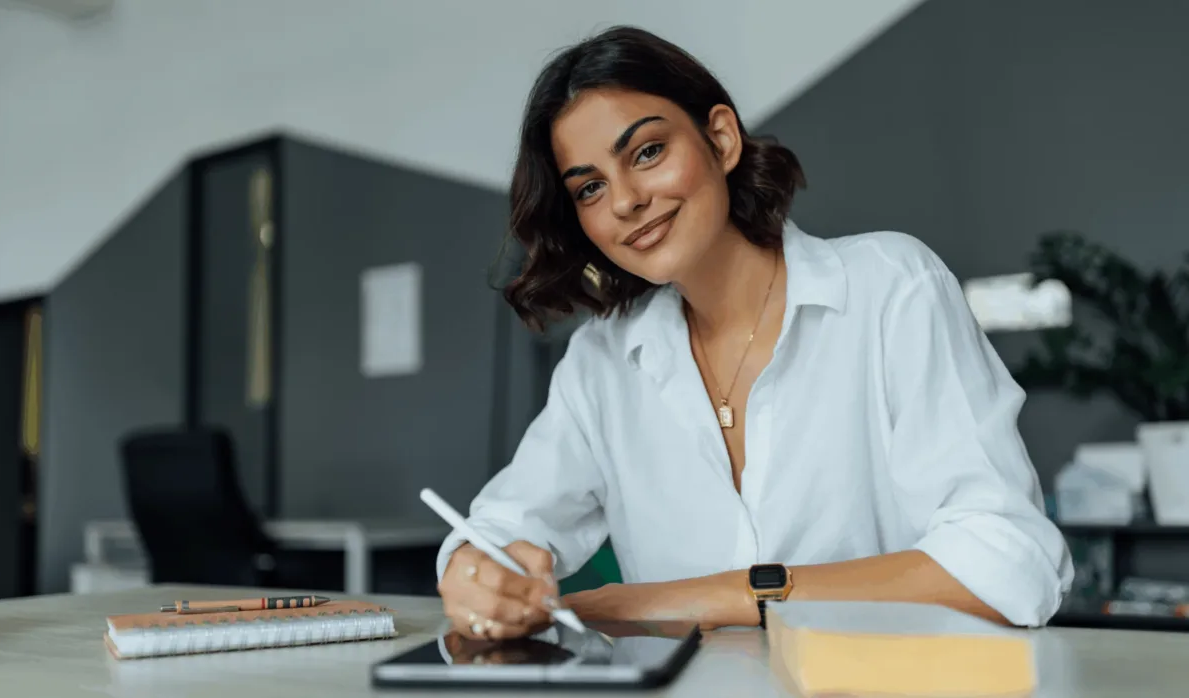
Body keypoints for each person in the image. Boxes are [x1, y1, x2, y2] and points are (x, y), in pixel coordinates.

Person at [435, 25, 1073, 640]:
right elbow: (503, 528)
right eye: (591, 188)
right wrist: (480, 572)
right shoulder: (601, 360)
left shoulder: (889, 286)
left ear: (721, 138)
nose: (625, 200)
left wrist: (702, 597)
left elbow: (1006, 563)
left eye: (648, 152)